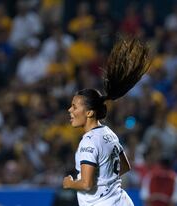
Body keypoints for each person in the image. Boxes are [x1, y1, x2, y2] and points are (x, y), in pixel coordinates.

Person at [62, 37, 150, 206]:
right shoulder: (108, 133)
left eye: (74, 107)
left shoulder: (89, 142)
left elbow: (86, 184)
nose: (70, 110)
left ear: (89, 112)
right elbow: (124, 167)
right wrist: (104, 180)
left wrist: (70, 183)